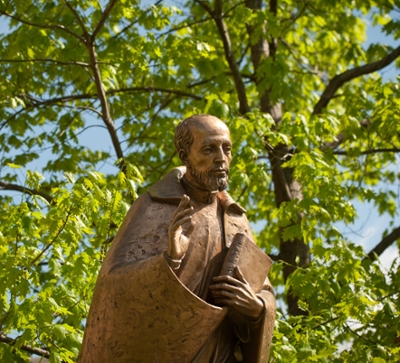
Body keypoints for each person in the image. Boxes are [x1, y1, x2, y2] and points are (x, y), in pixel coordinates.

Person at [79, 114, 276, 363]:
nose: (221, 158)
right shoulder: (154, 206)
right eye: (208, 149)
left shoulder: (236, 219)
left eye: (227, 149)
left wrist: (258, 309)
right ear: (185, 155)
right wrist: (168, 261)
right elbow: (112, 285)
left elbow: (264, 289)